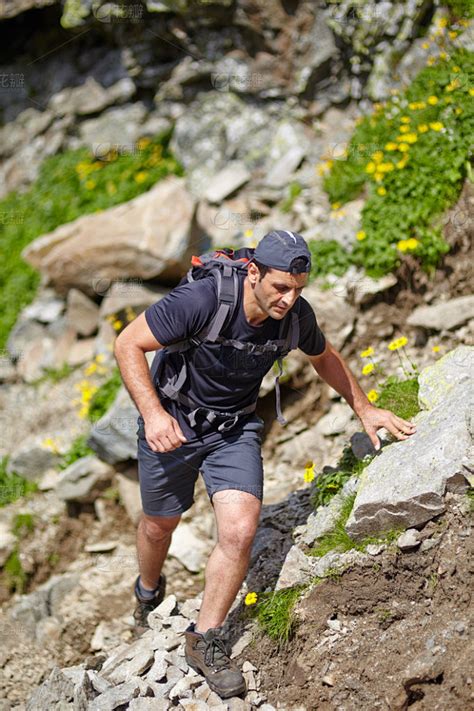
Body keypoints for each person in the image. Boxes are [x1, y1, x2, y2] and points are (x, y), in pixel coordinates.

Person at [113, 230, 416, 699]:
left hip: (233, 429)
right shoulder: (203, 299)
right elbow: (127, 343)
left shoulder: (295, 316)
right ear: (253, 272)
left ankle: (206, 638)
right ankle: (146, 592)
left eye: (298, 289)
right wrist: (153, 416)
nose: (289, 299)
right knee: (159, 526)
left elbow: (323, 355)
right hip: (172, 423)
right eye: (281, 287)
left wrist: (365, 408)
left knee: (239, 530)